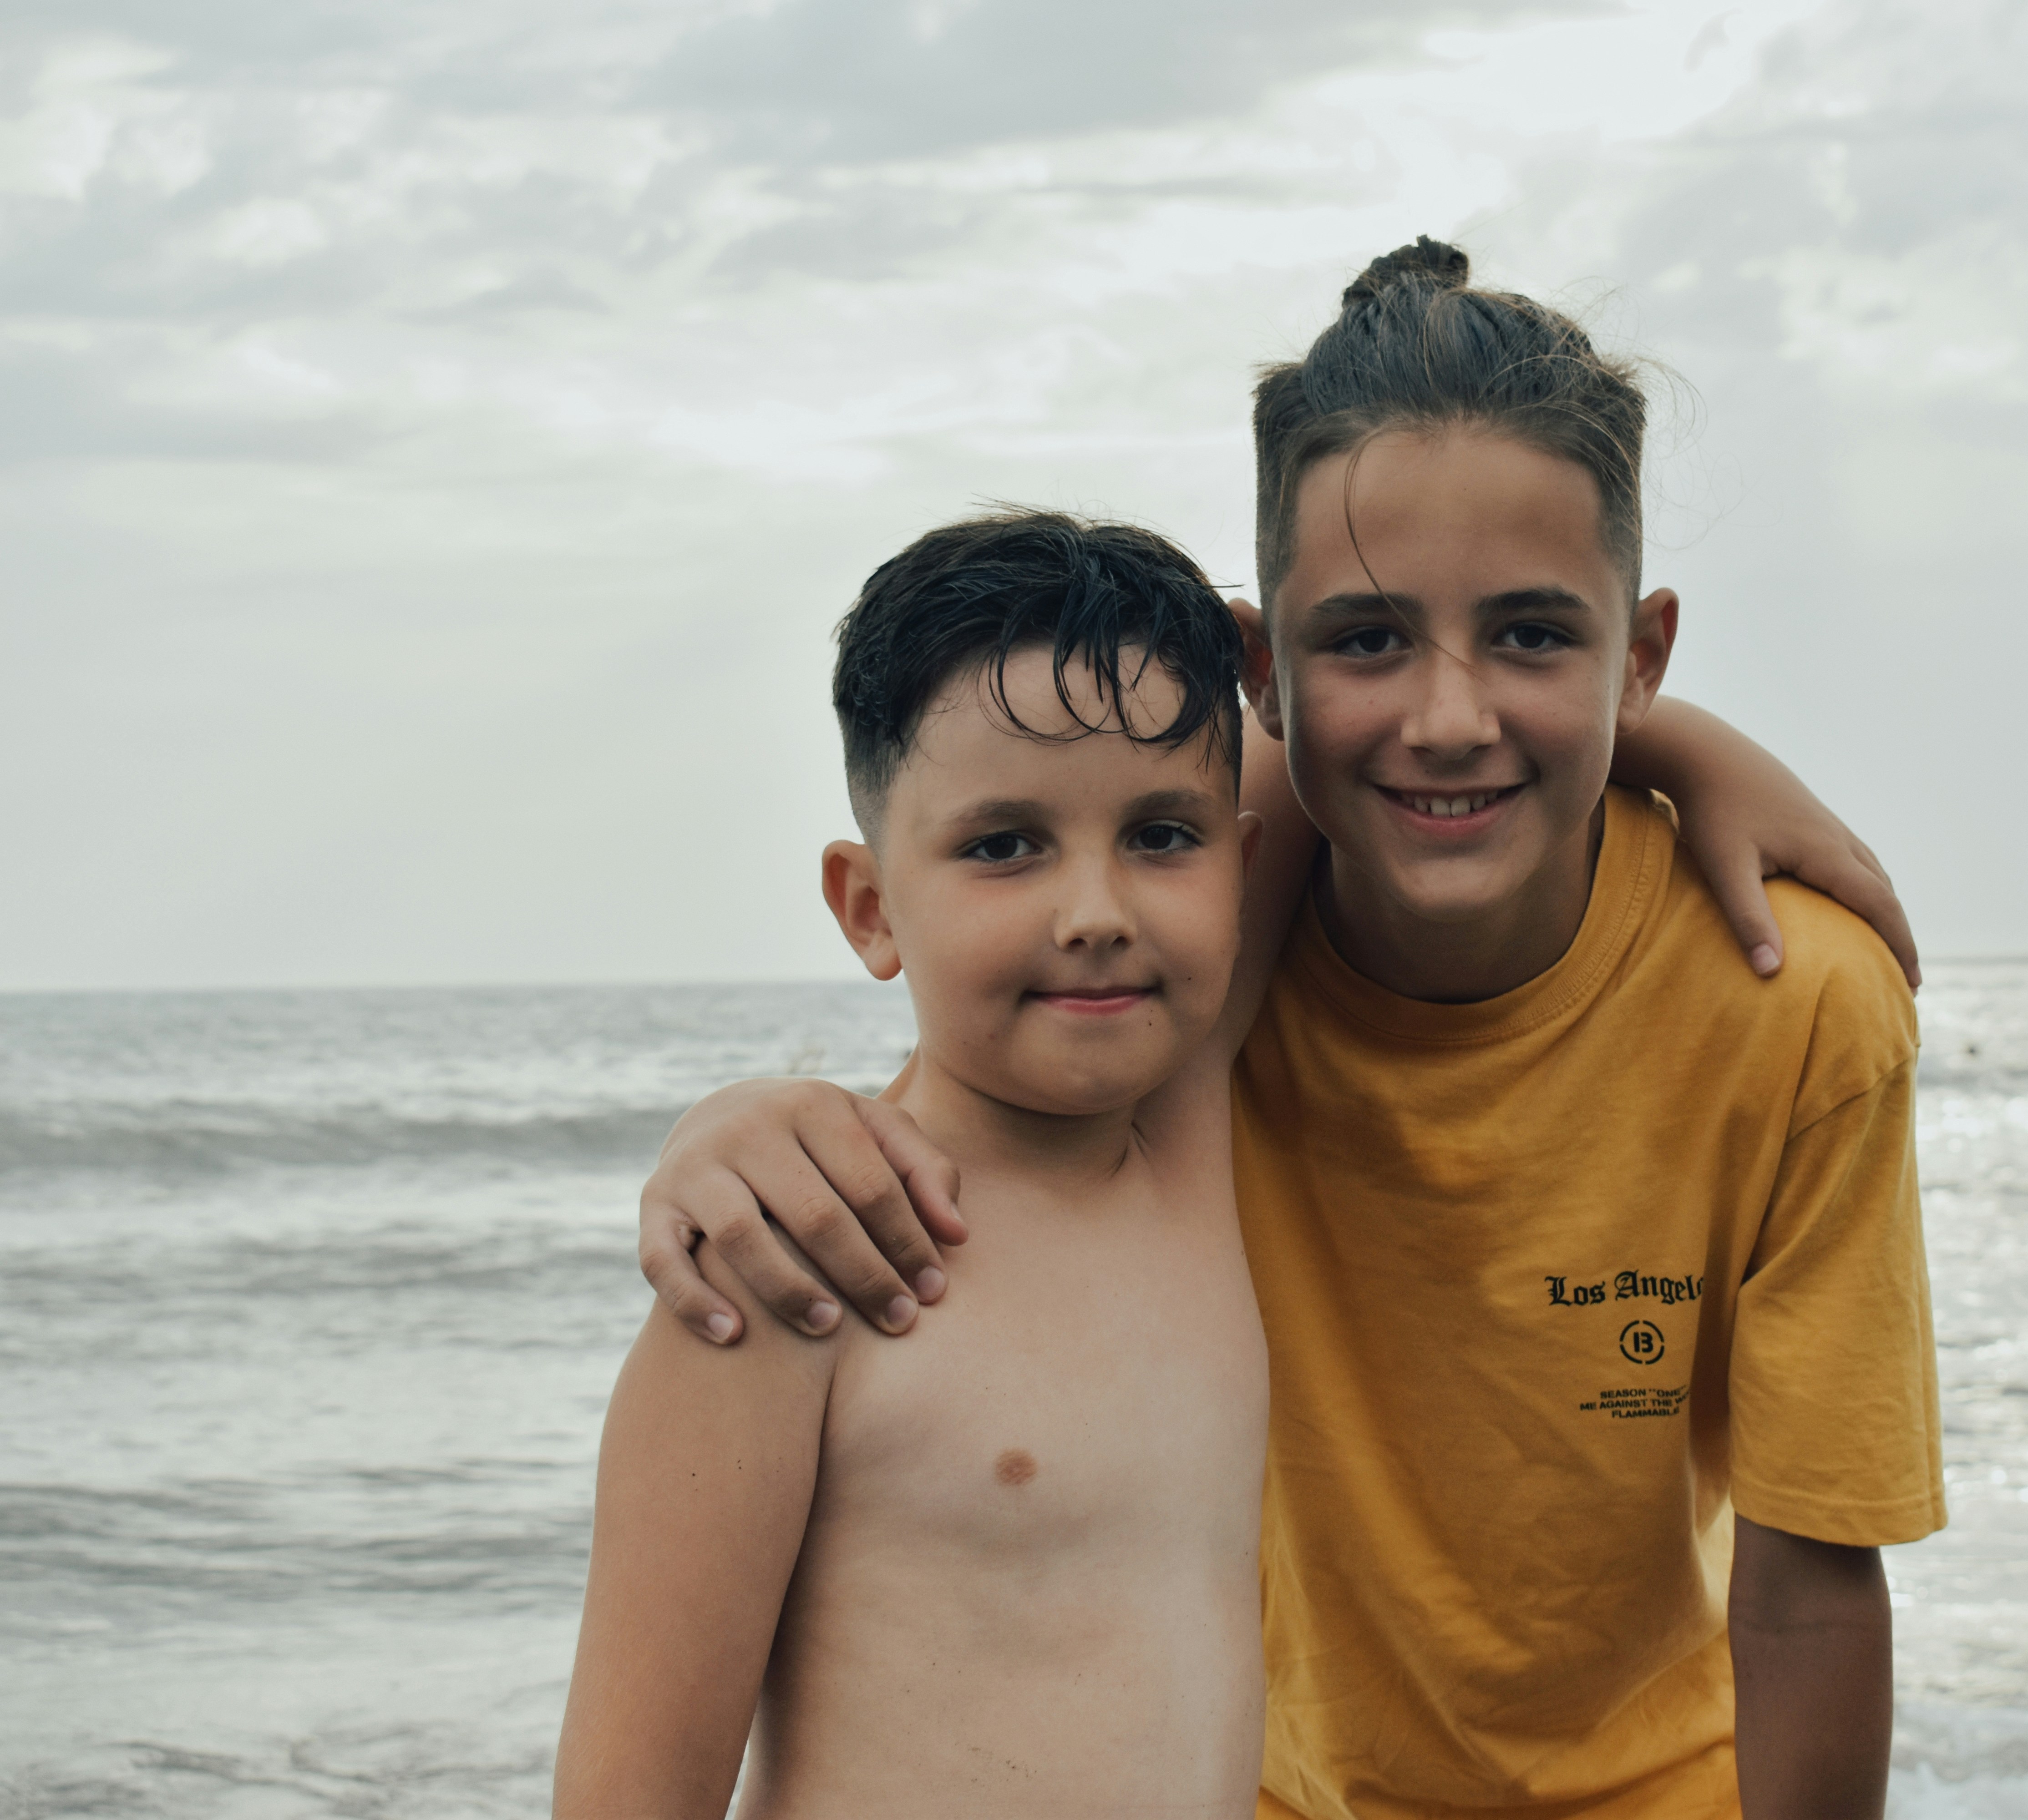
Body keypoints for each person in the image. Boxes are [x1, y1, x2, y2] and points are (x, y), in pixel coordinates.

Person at [639, 239, 1943, 1819]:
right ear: (1269, 668)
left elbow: (1810, 1592)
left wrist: (1670, 749)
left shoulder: (1793, 1002)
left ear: (1642, 650)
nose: (1447, 717)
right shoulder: (1214, 937)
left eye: (1537, 634)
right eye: (1367, 640)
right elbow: (1007, 987)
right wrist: (746, 1121)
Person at [555, 512, 1286, 1818]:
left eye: (1165, 836)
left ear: (1241, 860)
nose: (1098, 912)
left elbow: (1428, 732)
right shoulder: (801, 1260)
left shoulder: (1189, 1142)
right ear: (871, 907)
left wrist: (1704, 754)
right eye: (1003, 845)